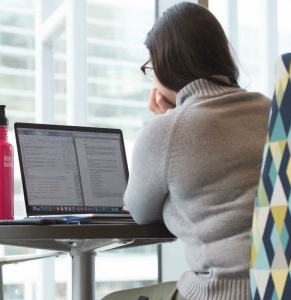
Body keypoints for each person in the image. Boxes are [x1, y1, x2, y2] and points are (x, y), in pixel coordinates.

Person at [102, 2, 271, 300]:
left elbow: (139, 211)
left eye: (151, 68)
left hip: (217, 291)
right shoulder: (272, 111)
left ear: (167, 67)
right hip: (286, 287)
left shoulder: (165, 131)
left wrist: (166, 123)